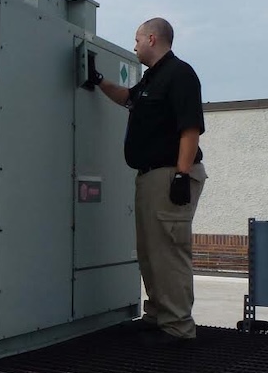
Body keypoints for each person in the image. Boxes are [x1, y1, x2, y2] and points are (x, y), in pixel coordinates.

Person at [89, 17, 207, 345]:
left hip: (171, 174)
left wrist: (182, 175)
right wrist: (98, 81)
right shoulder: (152, 79)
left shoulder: (180, 74)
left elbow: (190, 129)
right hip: (150, 176)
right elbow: (127, 97)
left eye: (137, 40)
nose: (135, 46)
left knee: (168, 251)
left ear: (152, 39)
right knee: (150, 250)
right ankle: (157, 315)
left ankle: (178, 327)